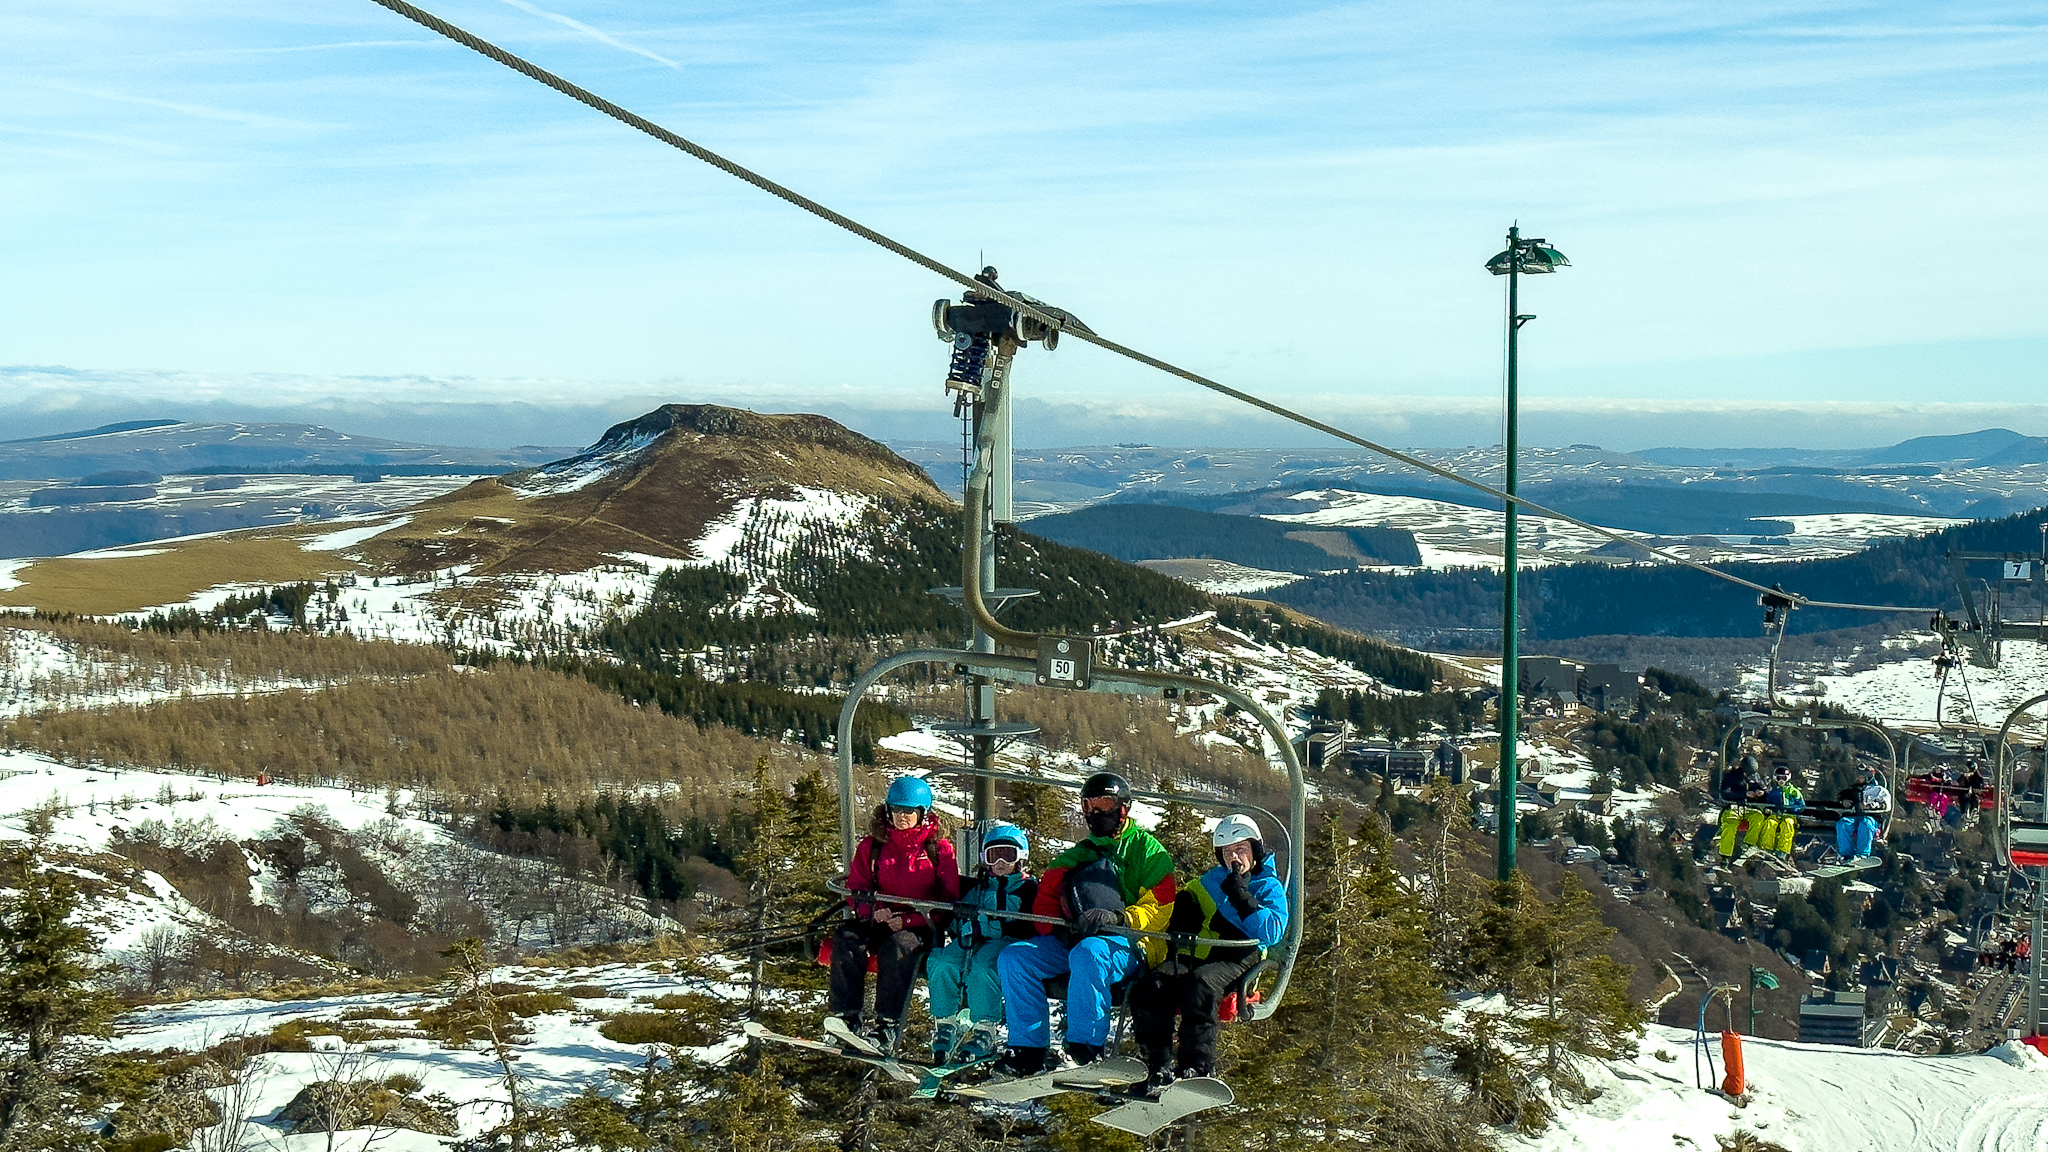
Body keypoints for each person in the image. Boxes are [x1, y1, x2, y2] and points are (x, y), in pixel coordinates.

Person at [994, 772, 1177, 1076]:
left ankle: (1085, 1048)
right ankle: (1028, 1049)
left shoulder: (1148, 851)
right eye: (1089, 805)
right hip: (1080, 940)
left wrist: (1121, 918)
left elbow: (1160, 909)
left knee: (1089, 953)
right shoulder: (1078, 855)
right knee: (1015, 958)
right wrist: (1061, 926)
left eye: (1104, 804)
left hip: (1134, 941)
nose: (1095, 812)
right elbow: (1045, 907)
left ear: (1122, 808)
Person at [1130, 814, 1286, 1094]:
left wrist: (1243, 899)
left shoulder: (1267, 885)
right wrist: (1182, 910)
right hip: (1200, 952)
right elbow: (1189, 896)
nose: (1234, 858)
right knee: (1151, 985)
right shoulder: (1212, 881)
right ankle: (1155, 1064)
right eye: (1227, 852)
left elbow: (1272, 932)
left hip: (1239, 956)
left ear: (1255, 850)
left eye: (1240, 849)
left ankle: (1197, 1064)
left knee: (1201, 984)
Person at [826, 775, 960, 1050]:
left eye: (909, 812)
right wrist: (871, 910)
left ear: (922, 813)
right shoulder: (873, 846)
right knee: (847, 938)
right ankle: (846, 1016)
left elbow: (948, 899)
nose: (902, 817)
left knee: (896, 948)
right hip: (881, 916)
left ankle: (887, 1025)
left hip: (921, 924)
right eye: (897, 811)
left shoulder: (937, 849)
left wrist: (908, 919)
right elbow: (858, 885)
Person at [924, 822, 1037, 1064]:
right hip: (971, 939)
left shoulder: (1027, 889)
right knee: (941, 961)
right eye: (994, 855)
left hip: (1005, 941)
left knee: (985, 967)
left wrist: (996, 923)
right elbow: (955, 920)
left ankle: (985, 1030)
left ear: (1021, 858)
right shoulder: (978, 888)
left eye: (1008, 855)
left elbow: (1032, 925)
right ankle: (945, 1024)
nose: (1000, 863)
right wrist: (961, 918)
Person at [1834, 767, 1892, 861]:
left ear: (1868, 777)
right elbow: (1840, 798)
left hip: (1871, 818)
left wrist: (1870, 806)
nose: (1857, 778)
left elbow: (1886, 806)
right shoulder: (1852, 790)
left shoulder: (1879, 791)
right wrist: (1844, 802)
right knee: (1843, 824)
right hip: (1854, 817)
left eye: (1860, 776)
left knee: (1866, 824)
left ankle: (1862, 854)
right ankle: (1846, 854)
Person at [1717, 755, 1768, 858]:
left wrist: (1762, 793)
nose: (1749, 775)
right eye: (1747, 773)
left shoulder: (1756, 776)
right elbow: (1725, 793)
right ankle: (1725, 855)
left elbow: (1765, 789)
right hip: (1734, 807)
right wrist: (1744, 794)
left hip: (1750, 808)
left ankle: (1749, 844)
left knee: (1758, 817)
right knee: (1730, 824)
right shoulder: (1732, 776)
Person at [1762, 765, 1804, 855]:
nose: (1781, 780)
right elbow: (1767, 804)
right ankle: (1766, 848)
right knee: (1770, 823)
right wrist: (1769, 810)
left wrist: (1792, 809)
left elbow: (1801, 805)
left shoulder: (1794, 791)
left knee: (1788, 824)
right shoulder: (1773, 792)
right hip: (1776, 814)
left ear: (1788, 778)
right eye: (1779, 778)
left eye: (1783, 778)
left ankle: (1782, 850)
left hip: (1790, 815)